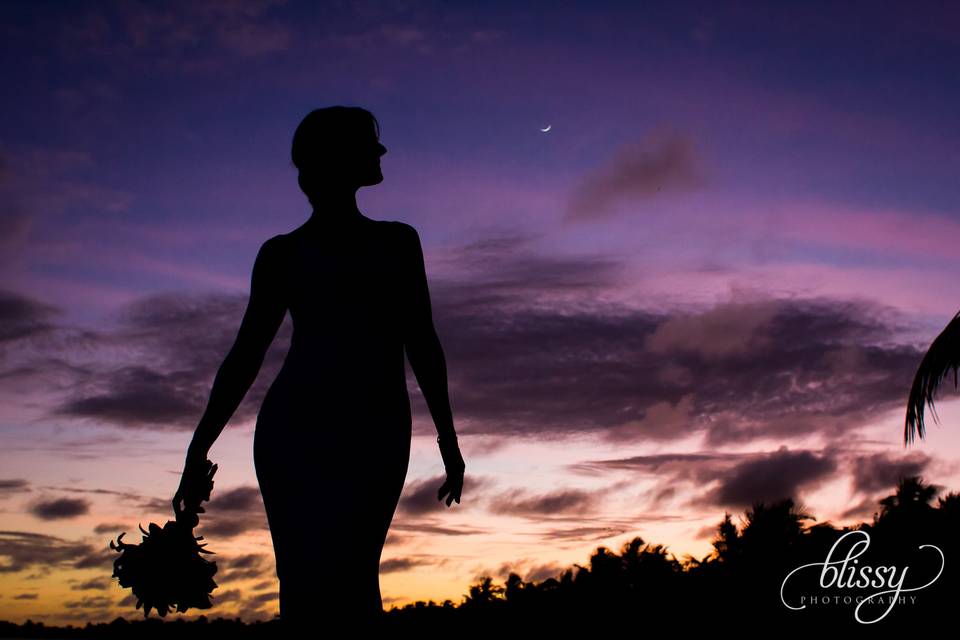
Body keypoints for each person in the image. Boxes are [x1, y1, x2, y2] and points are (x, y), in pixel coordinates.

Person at [172, 105, 466, 634]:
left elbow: (423, 343)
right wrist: (199, 448)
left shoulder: (390, 242)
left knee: (347, 578)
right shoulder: (299, 252)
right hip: (311, 428)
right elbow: (245, 355)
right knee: (313, 585)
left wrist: (449, 439)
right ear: (340, 157)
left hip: (363, 427)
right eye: (369, 143)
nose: (381, 153)